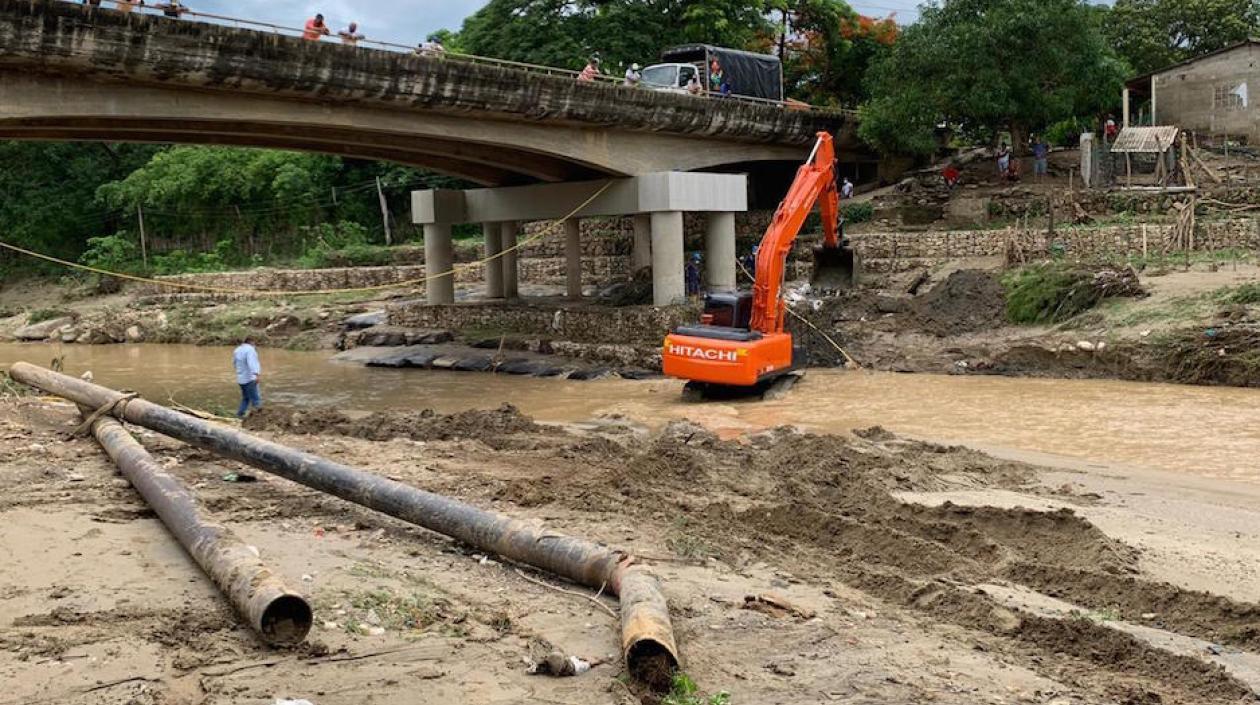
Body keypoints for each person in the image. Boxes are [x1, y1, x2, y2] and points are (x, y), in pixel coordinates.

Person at [232, 337, 262, 419]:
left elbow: (234, 363)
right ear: (252, 342)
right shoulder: (250, 350)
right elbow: (252, 363)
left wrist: (240, 372)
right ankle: (259, 418)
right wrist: (257, 374)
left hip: (241, 379)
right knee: (256, 399)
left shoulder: (237, 350)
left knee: (246, 398)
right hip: (250, 378)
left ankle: (239, 415)